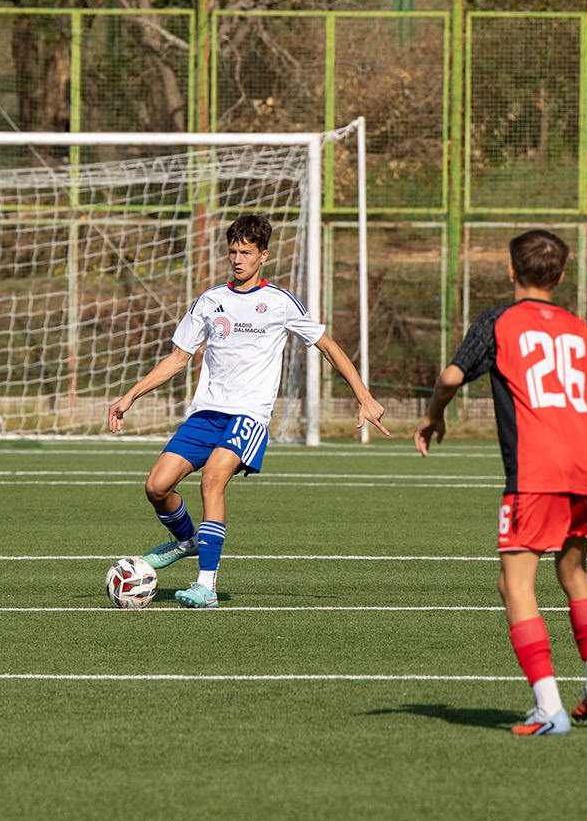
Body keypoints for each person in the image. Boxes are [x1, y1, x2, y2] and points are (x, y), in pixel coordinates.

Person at [414, 229, 587, 736]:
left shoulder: (500, 321)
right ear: (559, 277)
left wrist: (433, 417)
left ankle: (548, 708)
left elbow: (450, 378)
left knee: (515, 585)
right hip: (584, 464)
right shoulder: (582, 330)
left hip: (535, 471)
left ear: (511, 272)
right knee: (573, 572)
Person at [107, 213, 389, 608]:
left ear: (264, 256)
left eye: (246, 252)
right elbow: (177, 359)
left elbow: (329, 346)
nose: (237, 259)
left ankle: (206, 586)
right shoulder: (210, 301)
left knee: (212, 481)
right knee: (157, 486)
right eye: (232, 252)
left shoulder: (279, 302)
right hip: (205, 414)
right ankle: (187, 540)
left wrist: (363, 395)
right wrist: (130, 395)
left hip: (248, 417)